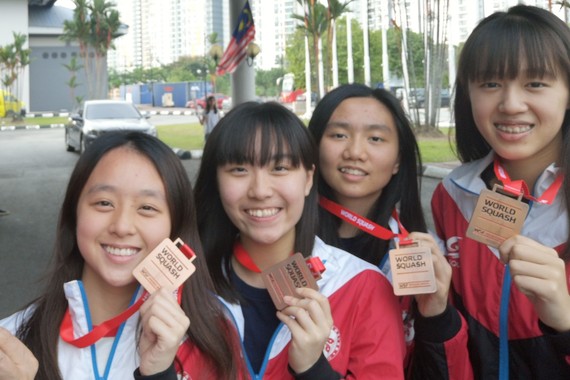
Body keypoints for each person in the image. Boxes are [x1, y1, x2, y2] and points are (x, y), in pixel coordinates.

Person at [0, 132, 244, 379]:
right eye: (104, 203)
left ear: (175, 226)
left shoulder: (214, 339)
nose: (122, 226)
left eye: (147, 208)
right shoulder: (10, 343)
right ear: (74, 215)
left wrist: (159, 374)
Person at [194, 101, 406, 379]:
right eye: (239, 170)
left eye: (280, 168)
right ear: (217, 181)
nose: (260, 191)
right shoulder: (190, 284)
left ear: (308, 179)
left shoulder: (363, 285)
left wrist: (313, 369)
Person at [431, 5, 570, 379]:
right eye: (491, 83)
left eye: (535, 83)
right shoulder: (452, 196)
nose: (510, 104)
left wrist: (565, 324)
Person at [307, 83, 471, 379]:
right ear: (314, 145)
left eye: (376, 138)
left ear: (397, 160)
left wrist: (437, 312)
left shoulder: (421, 257)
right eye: (339, 135)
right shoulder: (283, 243)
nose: (355, 152)